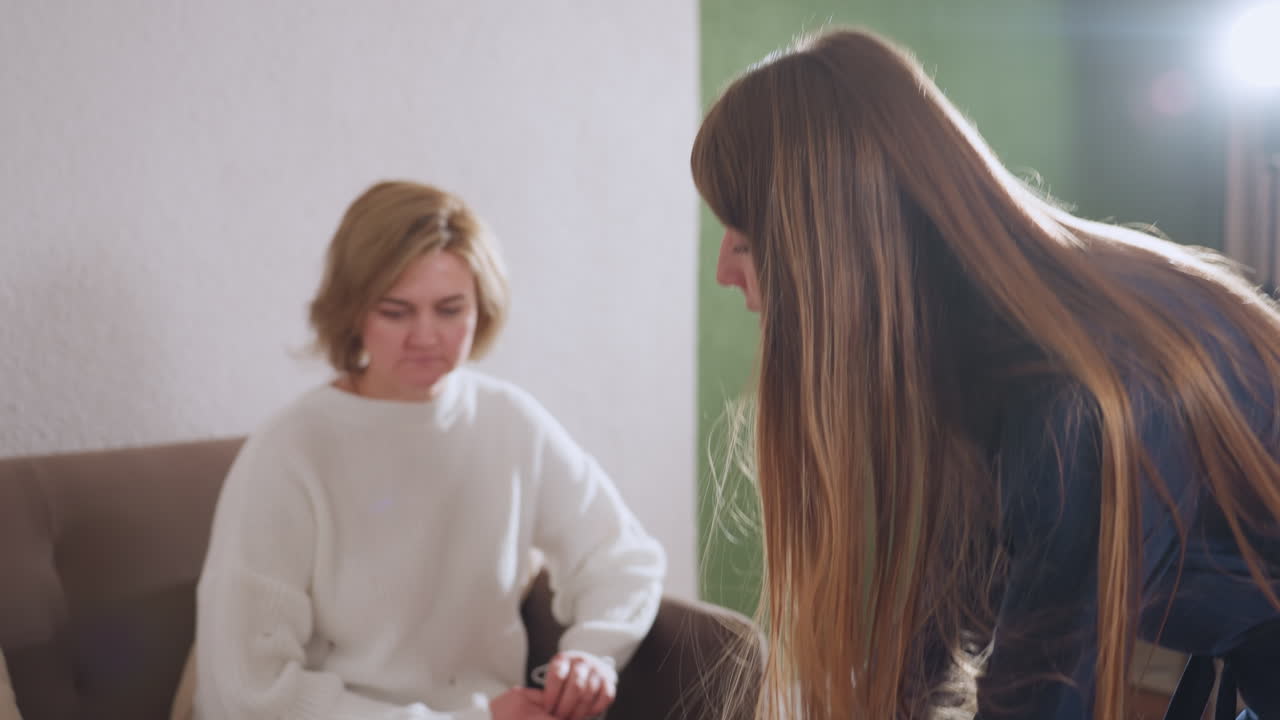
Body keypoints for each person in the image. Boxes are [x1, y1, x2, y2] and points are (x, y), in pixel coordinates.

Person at [691, 27, 1280, 720]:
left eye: (746, 239)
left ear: (833, 248)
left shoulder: (1071, 408)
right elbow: (946, 633)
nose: (725, 272)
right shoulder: (990, 362)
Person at [194, 181, 666, 720]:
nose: (426, 336)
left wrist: (593, 654)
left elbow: (623, 558)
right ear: (352, 312)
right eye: (395, 311)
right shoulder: (290, 451)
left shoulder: (509, 423)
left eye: (449, 309)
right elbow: (248, 691)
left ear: (481, 308)